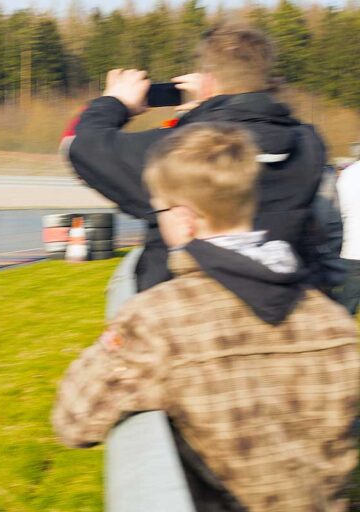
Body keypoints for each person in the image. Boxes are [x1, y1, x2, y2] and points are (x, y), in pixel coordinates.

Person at [52, 123, 360, 511]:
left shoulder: (159, 319)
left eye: (159, 208)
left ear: (184, 219)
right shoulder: (332, 322)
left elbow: (73, 418)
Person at [68, 22, 343, 293]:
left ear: (208, 81)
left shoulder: (184, 150)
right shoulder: (307, 142)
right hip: (283, 296)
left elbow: (81, 146)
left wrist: (115, 102)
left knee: (123, 281)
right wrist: (208, 109)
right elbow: (329, 228)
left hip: (184, 301)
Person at [338, 159, 360, 314]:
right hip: (353, 247)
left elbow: (338, 212)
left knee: (347, 305)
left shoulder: (349, 174)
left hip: (353, 248)